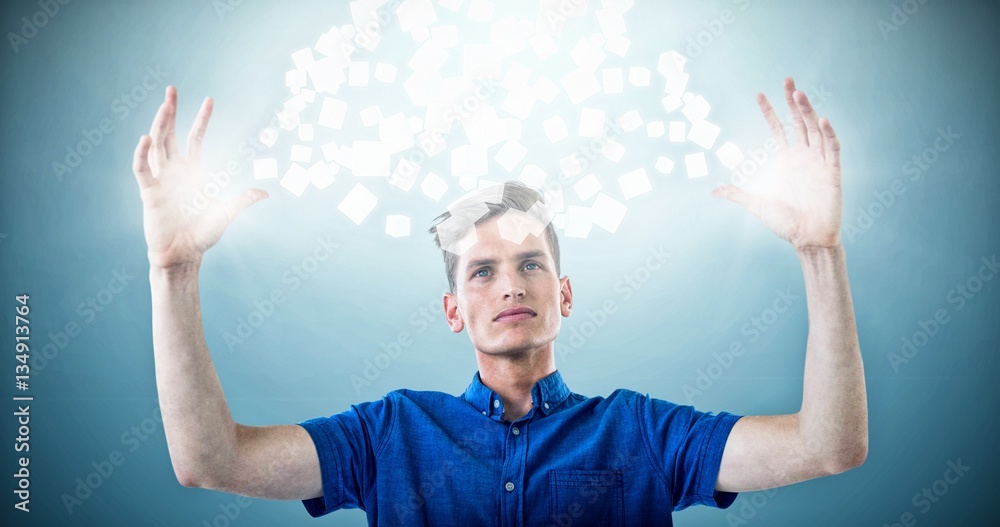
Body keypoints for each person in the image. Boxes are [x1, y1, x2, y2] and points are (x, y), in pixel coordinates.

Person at [131, 77, 867, 526]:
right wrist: (172, 272)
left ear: (564, 293)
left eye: (530, 263)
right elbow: (211, 461)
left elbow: (828, 447)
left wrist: (819, 253)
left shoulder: (640, 431)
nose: (510, 283)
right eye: (481, 271)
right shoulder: (387, 435)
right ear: (453, 308)